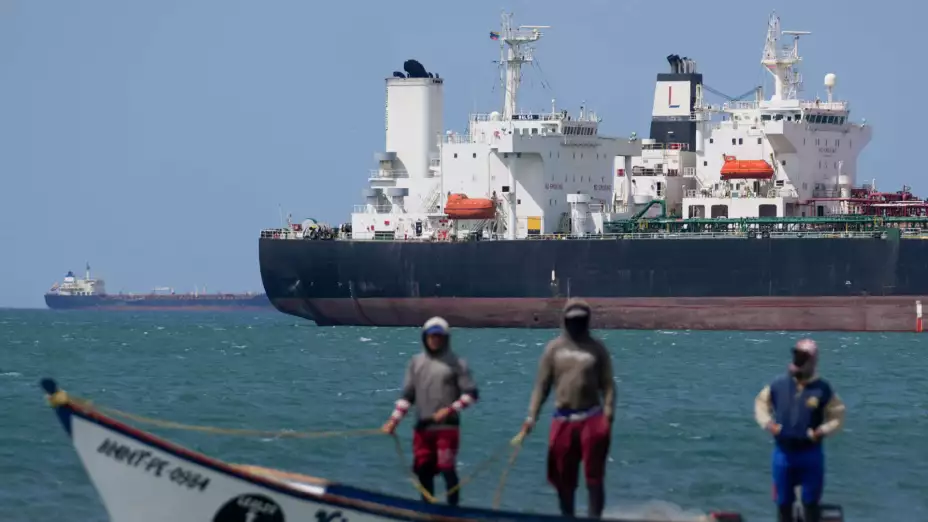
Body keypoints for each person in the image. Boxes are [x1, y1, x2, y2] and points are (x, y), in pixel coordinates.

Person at [519, 299, 616, 519]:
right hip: (563, 419)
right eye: (572, 320)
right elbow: (541, 387)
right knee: (563, 477)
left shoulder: (597, 349)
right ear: (565, 321)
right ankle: (567, 516)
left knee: (594, 476)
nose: (577, 324)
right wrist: (531, 417)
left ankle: (594, 517)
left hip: (592, 418)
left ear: (587, 320)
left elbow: (608, 384)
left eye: (581, 320)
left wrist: (608, 414)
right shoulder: (553, 350)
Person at [381, 316, 478, 506]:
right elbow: (407, 397)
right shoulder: (416, 363)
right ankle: (427, 510)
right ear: (425, 337)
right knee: (422, 470)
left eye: (439, 337)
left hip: (447, 428)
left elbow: (471, 394)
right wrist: (394, 420)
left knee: (447, 468)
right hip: (423, 428)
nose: (435, 340)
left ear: (445, 338)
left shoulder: (457, 363)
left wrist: (451, 409)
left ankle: (453, 513)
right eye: (431, 336)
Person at [754, 338, 846, 522]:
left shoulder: (823, 389)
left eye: (804, 358)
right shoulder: (778, 384)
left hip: (810, 453)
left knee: (810, 501)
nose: (798, 362)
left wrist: (822, 431)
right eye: (797, 356)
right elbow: (761, 404)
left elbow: (837, 415)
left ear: (813, 361)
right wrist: (768, 424)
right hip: (783, 453)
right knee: (783, 502)